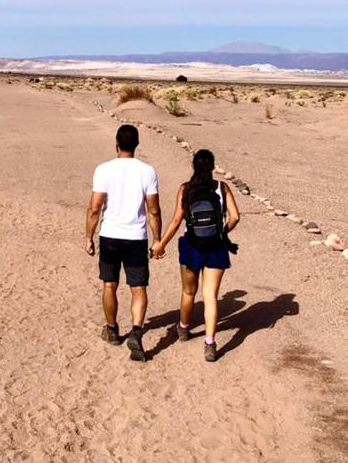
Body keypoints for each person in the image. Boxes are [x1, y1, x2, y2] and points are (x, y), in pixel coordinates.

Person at [152, 149, 241, 362]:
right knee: (210, 296)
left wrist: (161, 245)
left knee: (188, 292)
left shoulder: (186, 189)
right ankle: (210, 344)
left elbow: (175, 221)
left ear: (193, 166)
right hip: (216, 247)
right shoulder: (222, 187)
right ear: (212, 167)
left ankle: (183, 328)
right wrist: (222, 232)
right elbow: (236, 216)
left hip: (191, 246)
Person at [85, 124, 162, 362]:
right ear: (136, 144)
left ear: (117, 144)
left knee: (109, 284)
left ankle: (112, 329)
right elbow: (154, 210)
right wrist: (157, 239)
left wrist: (88, 236)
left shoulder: (104, 170)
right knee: (138, 287)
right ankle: (137, 331)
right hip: (136, 236)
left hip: (110, 234)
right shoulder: (147, 171)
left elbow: (95, 207)